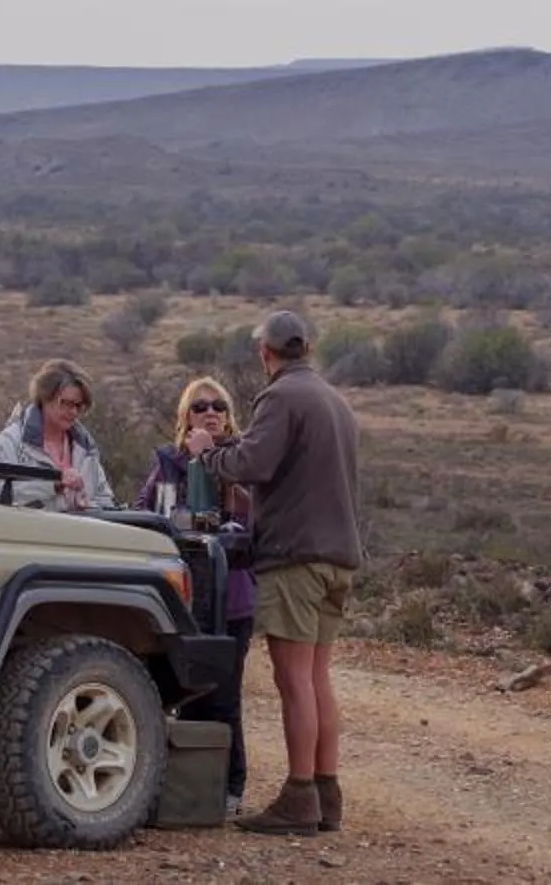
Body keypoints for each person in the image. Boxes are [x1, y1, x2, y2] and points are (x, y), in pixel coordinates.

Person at [187, 310, 362, 836]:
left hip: (296, 558)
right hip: (338, 557)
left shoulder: (283, 397)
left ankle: (299, 797)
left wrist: (209, 452)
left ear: (266, 353)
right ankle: (326, 792)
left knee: (293, 680)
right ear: (306, 347)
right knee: (317, 678)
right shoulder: (336, 400)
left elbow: (253, 464)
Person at [137, 377, 260, 814]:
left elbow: (252, 524)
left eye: (219, 407)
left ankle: (230, 789)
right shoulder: (168, 464)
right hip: (178, 598)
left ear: (229, 417)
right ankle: (184, 789)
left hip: (231, 598)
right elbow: (144, 512)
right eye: (200, 407)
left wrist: (212, 463)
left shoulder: (243, 464)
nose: (211, 413)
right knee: (177, 691)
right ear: (184, 418)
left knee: (224, 695)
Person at [0, 360, 116, 512]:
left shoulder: (86, 449)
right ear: (45, 397)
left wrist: (87, 507)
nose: (73, 412)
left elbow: (104, 500)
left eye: (79, 406)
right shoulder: (10, 443)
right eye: (66, 403)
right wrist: (52, 485)